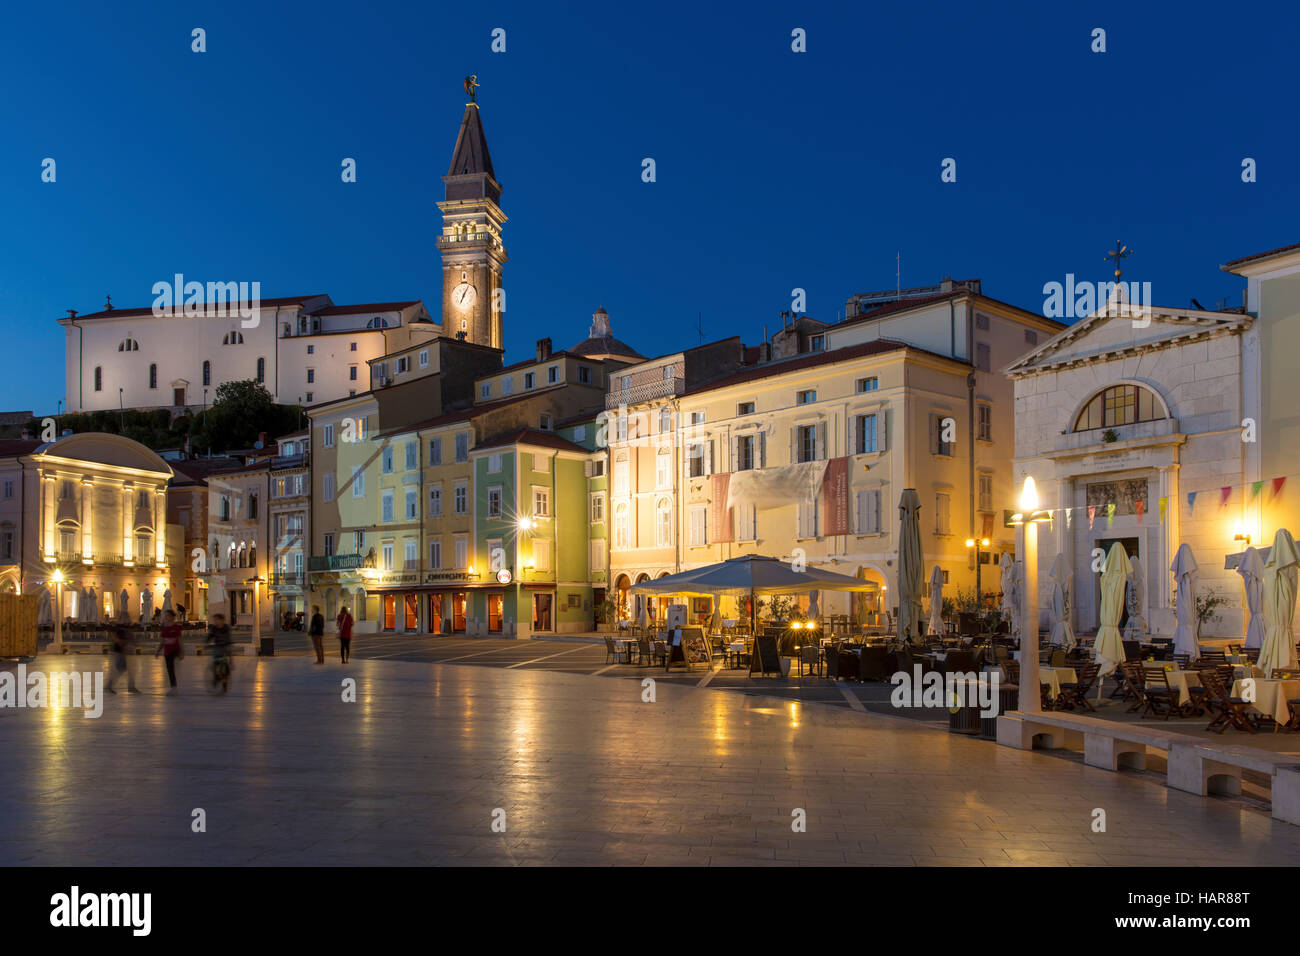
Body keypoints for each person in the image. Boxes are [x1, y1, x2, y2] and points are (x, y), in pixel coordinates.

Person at [155, 609, 183, 695]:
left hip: (175, 650)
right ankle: (173, 687)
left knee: (172, 668)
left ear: (173, 617)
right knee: (170, 669)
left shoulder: (176, 627)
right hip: (167, 651)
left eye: (168, 615)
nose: (166, 617)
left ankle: (174, 687)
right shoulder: (164, 628)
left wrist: (182, 651)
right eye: (166, 616)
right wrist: (158, 651)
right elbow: (162, 640)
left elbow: (180, 640)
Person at [107, 625, 140, 694]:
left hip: (121, 653)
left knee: (126, 670)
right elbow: (120, 642)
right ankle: (109, 686)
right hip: (119, 653)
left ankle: (131, 687)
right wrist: (125, 650)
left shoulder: (127, 633)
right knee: (120, 670)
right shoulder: (123, 632)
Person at [206, 613, 233, 693]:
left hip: (225, 649)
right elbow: (210, 637)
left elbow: (228, 639)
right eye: (214, 620)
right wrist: (206, 643)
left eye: (217, 620)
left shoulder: (226, 628)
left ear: (222, 620)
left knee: (224, 669)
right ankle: (216, 678)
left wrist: (228, 648)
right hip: (217, 649)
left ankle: (224, 686)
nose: (215, 622)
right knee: (215, 665)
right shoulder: (214, 628)